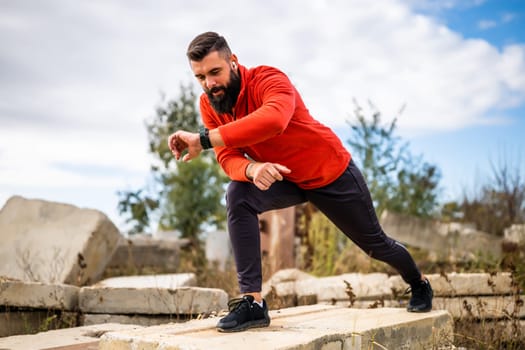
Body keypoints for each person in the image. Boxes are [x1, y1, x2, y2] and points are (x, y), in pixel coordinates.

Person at [168, 31, 433, 333]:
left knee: (376, 245)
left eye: (215, 72)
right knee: (238, 193)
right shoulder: (210, 105)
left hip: (329, 172)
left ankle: (419, 283)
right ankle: (253, 304)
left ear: (234, 62)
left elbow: (273, 120)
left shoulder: (268, 79)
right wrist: (252, 170)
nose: (209, 84)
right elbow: (227, 157)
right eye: (200, 77)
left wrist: (203, 139)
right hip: (286, 178)